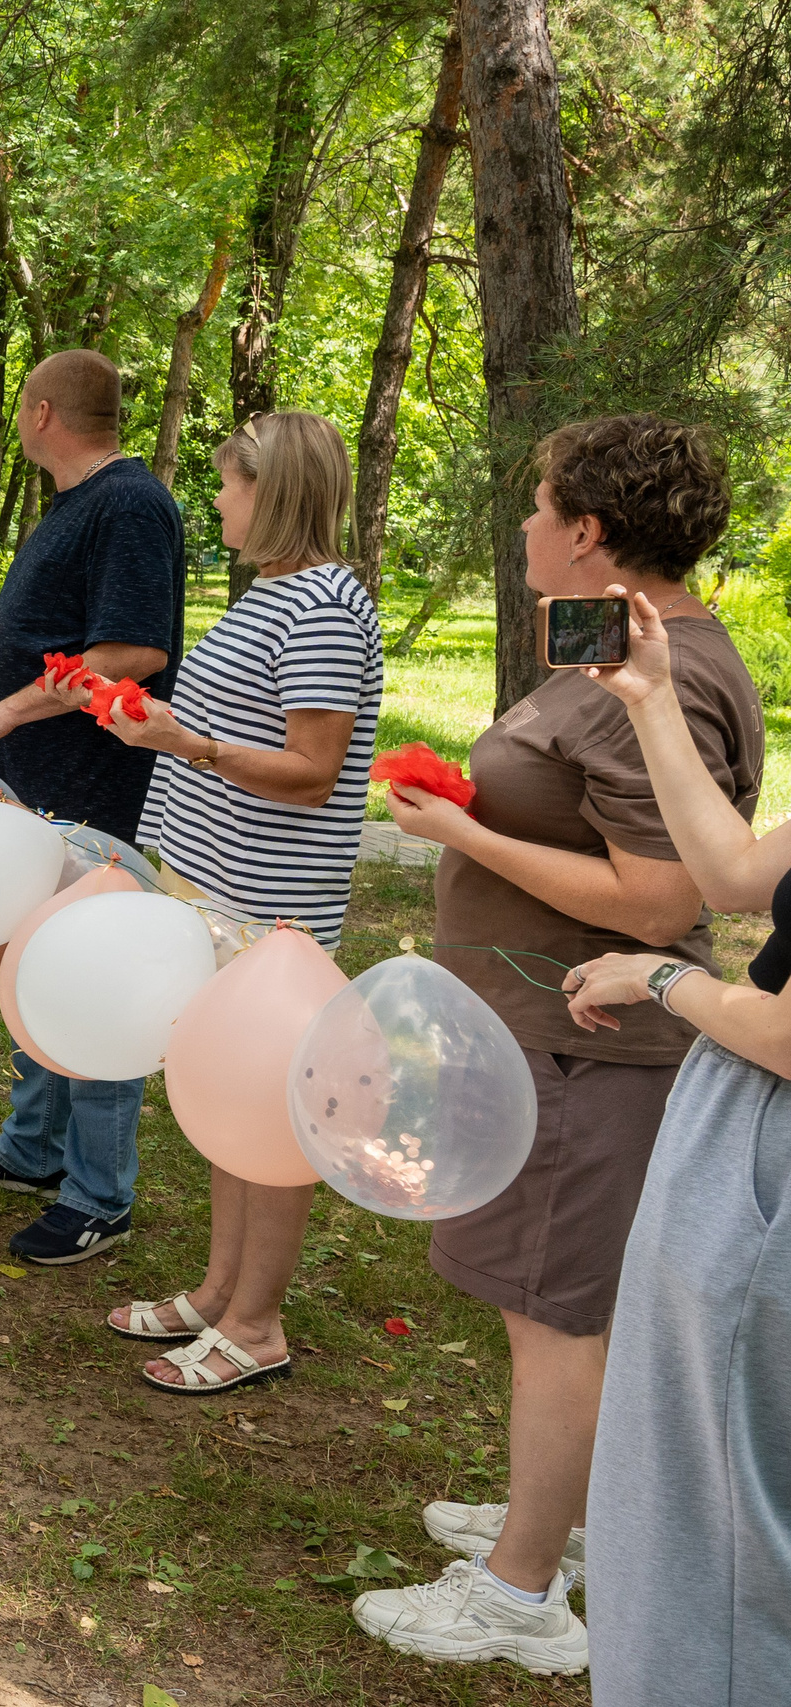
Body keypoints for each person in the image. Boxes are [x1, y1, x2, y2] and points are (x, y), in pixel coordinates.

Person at [350, 416, 760, 1674]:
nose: (524, 527)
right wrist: (479, 804)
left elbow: (658, 900)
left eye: (538, 508)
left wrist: (460, 835)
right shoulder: (622, 650)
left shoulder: (670, 671)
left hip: (592, 1045)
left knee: (556, 1315)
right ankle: (558, 1510)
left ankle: (521, 1594)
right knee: (549, 1304)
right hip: (543, 1031)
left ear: (588, 534)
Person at [41, 412, 382, 1391]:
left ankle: (259, 1324)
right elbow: (224, 726)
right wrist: (145, 722)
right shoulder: (272, 592)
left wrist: (183, 745)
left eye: (229, 485)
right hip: (209, 883)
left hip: (264, 905)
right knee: (228, 1098)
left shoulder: (318, 603)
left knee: (268, 1114)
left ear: (274, 493)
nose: (216, 501)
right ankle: (220, 1291)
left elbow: (315, 771)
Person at [555, 547, 791, 1705]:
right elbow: (740, 872)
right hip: (747, 1119)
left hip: (771, 1142)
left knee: (716, 1520)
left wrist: (659, 983)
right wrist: (648, 701)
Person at [0, 348, 185, 1266]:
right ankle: (31, 1147)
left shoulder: (130, 505)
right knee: (34, 965)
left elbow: (130, 655)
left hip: (90, 786)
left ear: (41, 414)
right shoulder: (82, 502)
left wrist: (0, 710)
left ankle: (99, 1193)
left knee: (88, 974)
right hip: (36, 779)